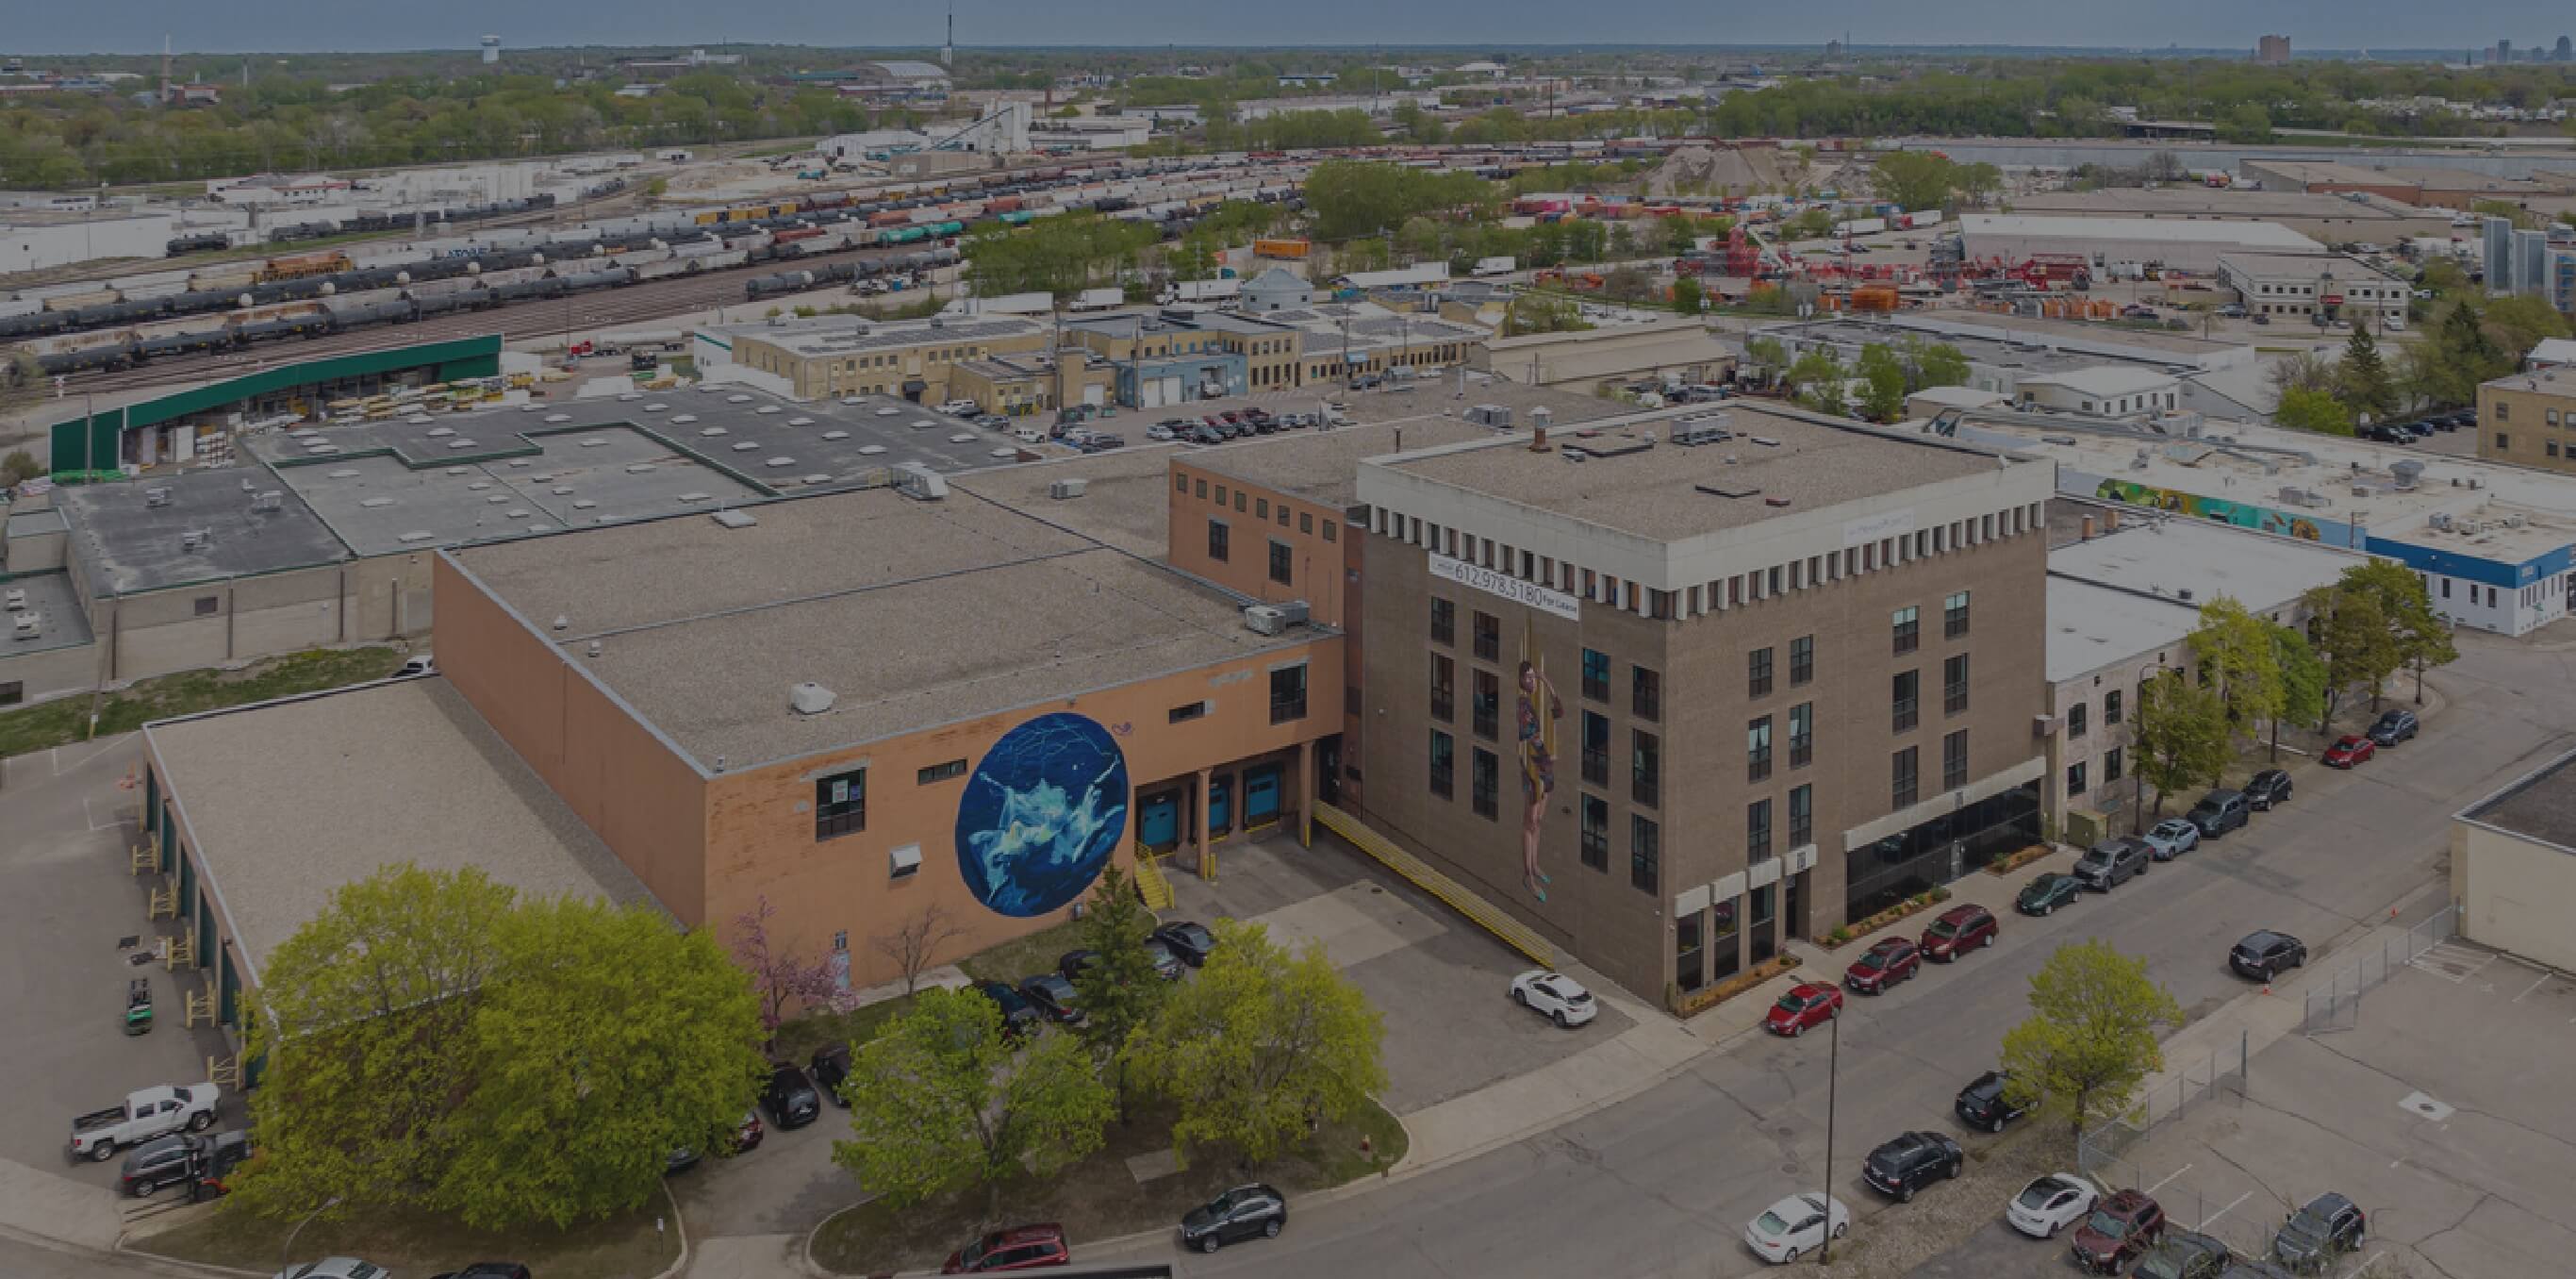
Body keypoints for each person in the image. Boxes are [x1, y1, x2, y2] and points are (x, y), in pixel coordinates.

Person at [1516, 658, 1561, 902]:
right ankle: (1528, 876)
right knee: (1530, 820)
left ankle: (1534, 865)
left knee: (1539, 819)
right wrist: (1543, 747)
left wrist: (1547, 683)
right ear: (1521, 680)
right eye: (1529, 678)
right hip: (1533, 763)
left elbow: (1560, 711)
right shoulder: (1523, 704)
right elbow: (1526, 736)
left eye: (1534, 677)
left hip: (1544, 761)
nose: (1532, 681)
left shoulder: (1539, 700)